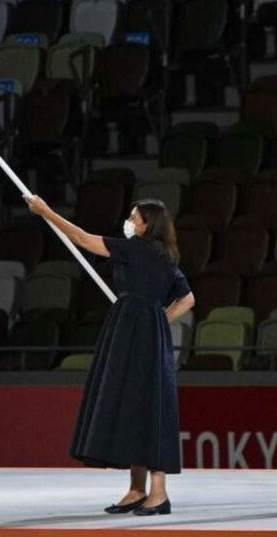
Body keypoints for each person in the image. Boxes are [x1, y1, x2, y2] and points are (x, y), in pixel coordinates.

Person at [25, 195, 195, 517]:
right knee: (141, 403)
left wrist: (47, 211)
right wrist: (159, 319)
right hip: (145, 331)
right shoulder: (166, 257)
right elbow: (188, 299)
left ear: (147, 223)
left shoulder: (136, 249)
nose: (129, 221)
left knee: (143, 406)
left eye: (134, 217)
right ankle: (137, 490)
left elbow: (81, 238)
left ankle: (157, 493)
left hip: (132, 330)